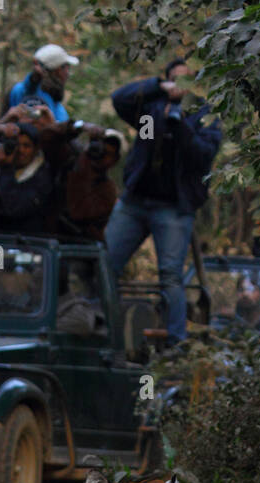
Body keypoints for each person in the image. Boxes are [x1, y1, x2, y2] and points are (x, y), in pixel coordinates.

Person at [105, 58, 222, 343]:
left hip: (173, 207)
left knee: (170, 276)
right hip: (135, 201)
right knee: (104, 264)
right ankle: (103, 329)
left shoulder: (204, 115)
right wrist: (156, 88)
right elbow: (119, 100)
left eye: (186, 80)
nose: (180, 86)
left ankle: (175, 343)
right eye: (175, 80)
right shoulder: (150, 108)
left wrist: (181, 126)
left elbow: (203, 156)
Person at [0, 120, 55, 233]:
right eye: (16, 145)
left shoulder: (43, 176)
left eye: (26, 146)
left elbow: (14, 207)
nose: (20, 150)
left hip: (24, 240)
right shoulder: (0, 155)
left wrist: (5, 168)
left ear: (36, 149)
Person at [6, 43, 80, 123]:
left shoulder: (53, 97)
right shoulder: (31, 93)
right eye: (67, 68)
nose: (68, 74)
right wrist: (35, 78)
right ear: (58, 70)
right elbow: (37, 126)